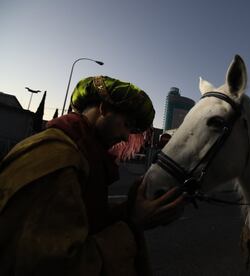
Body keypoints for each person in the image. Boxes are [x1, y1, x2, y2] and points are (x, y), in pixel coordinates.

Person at [0, 76, 184, 275]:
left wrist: (129, 208)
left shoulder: (81, 152)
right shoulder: (57, 157)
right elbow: (55, 266)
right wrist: (133, 225)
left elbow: (86, 221)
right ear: (104, 109)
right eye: (126, 124)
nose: (125, 136)